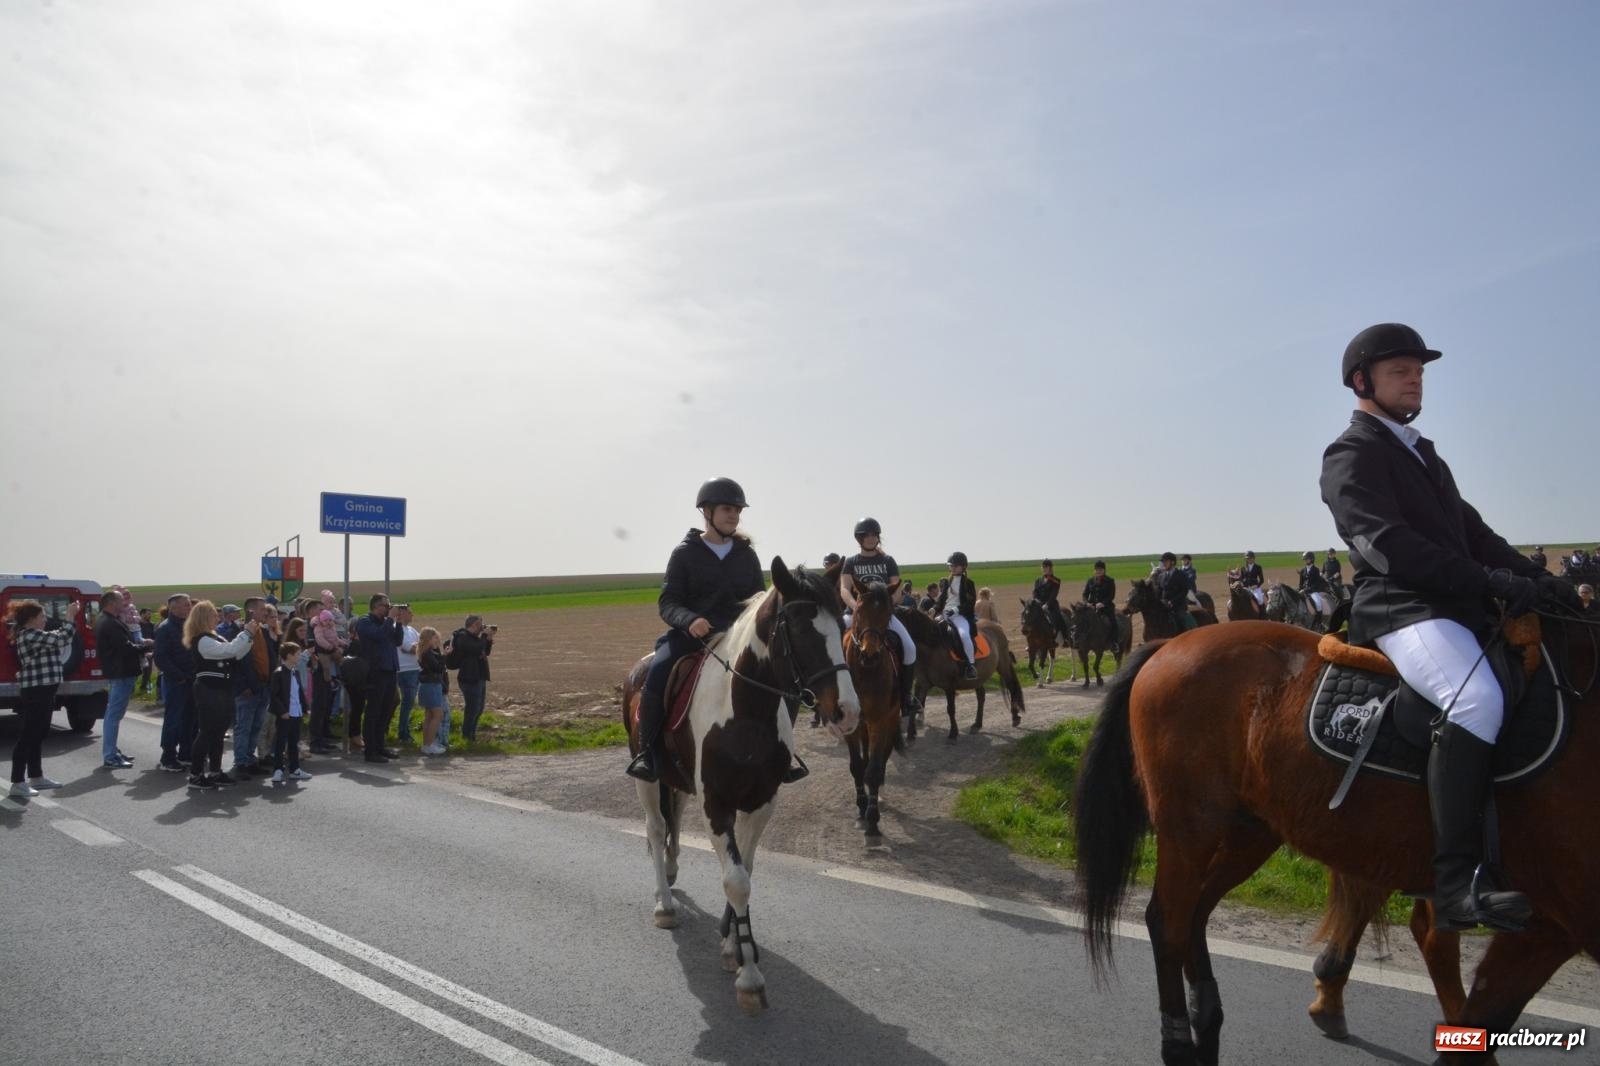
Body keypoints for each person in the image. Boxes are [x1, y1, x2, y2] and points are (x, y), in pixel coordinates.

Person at [1319, 322, 1578, 933]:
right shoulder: (1351, 454)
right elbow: (1390, 548)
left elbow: (1476, 535)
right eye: (1401, 371)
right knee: (1475, 701)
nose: (1416, 380)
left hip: (1454, 605)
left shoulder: (1422, 453)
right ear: (1363, 382)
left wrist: (1537, 577)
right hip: (1401, 608)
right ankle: (1456, 882)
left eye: (1420, 371)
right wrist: (1488, 583)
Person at [627, 477, 772, 783]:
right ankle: (647, 752)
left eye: (737, 510)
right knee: (658, 671)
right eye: (726, 508)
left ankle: (781, 751)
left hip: (735, 639)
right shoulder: (685, 553)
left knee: (772, 676)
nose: (733, 514)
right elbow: (668, 601)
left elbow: (759, 601)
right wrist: (690, 619)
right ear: (707, 512)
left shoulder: (746, 554)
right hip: (692, 637)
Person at [839, 517, 919, 717]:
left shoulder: (887, 561)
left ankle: (905, 697)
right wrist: (855, 607)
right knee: (832, 641)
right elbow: (844, 589)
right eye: (866, 535)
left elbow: (897, 591)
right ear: (859, 538)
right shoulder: (851, 562)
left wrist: (885, 607)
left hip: (882, 616)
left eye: (874, 534)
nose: (871, 538)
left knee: (909, 647)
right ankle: (833, 696)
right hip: (856, 616)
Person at [7, 598, 80, 796]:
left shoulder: (35, 634)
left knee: (38, 734)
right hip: (36, 690)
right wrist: (69, 616)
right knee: (29, 735)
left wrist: (68, 621)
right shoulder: (29, 635)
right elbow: (61, 639)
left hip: (44, 689)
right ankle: (17, 782)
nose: (45, 620)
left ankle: (36, 776)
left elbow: (56, 635)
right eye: (42, 616)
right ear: (31, 619)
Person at [184, 601, 255, 789]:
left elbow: (236, 654)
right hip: (209, 689)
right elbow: (230, 650)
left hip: (221, 689)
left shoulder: (214, 638)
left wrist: (249, 636)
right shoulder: (202, 639)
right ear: (203, 617)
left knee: (218, 733)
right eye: (213, 614)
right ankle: (196, 774)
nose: (217, 617)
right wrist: (246, 633)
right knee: (207, 732)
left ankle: (215, 771)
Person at [92, 588, 148, 769]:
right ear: (111, 603)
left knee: (114, 714)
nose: (123, 602)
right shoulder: (110, 623)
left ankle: (112, 750)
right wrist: (145, 648)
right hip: (121, 672)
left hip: (119, 671)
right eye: (119, 599)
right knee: (114, 715)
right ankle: (110, 755)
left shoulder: (107, 620)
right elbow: (125, 648)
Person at [231, 597, 279, 777]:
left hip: (263, 685)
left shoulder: (261, 630)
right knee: (244, 726)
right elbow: (236, 661)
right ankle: (241, 761)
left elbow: (268, 656)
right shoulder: (240, 630)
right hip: (248, 688)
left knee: (256, 725)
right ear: (251, 611)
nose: (265, 612)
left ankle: (250, 759)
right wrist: (243, 685)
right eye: (262, 609)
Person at [354, 594, 403, 763]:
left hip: (390, 670)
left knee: (385, 711)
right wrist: (390, 619)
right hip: (375, 672)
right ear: (376, 606)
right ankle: (370, 750)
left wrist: (400, 622)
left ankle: (380, 746)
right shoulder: (365, 621)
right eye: (386, 605)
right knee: (373, 712)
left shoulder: (386, 623)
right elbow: (379, 636)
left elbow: (397, 640)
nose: (388, 608)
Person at [152, 593, 195, 772]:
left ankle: (185, 753)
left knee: (189, 719)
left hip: (191, 680)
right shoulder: (165, 628)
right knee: (173, 720)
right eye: (185, 605)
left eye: (189, 605)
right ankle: (168, 757)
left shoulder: (187, 626)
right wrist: (180, 676)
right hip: (176, 681)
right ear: (173, 607)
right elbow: (161, 658)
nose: (189, 608)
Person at [267, 643, 313, 785]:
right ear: (288, 655)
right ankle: (278, 769)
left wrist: (305, 709)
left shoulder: (295, 672)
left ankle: (295, 769)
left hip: (296, 712)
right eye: (297, 654)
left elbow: (299, 693)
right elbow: (274, 696)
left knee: (294, 741)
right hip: (286, 713)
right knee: (281, 741)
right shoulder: (279, 673)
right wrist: (282, 711)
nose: (299, 657)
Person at [450, 615, 495, 743]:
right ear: (474, 624)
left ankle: (471, 735)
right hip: (469, 678)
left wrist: (489, 640)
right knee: (472, 708)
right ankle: (466, 736)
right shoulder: (462, 637)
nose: (482, 627)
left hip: (479, 676)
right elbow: (476, 649)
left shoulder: (476, 638)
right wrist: (485, 636)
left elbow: (485, 651)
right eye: (481, 624)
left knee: (479, 708)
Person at [935, 552, 979, 680]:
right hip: (944, 614)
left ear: (963, 567)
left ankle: (971, 665)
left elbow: (970, 603)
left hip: (960, 616)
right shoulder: (946, 582)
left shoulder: (968, 583)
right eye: (951, 565)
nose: (953, 568)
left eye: (956, 566)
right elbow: (941, 599)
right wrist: (933, 608)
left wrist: (955, 610)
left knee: (964, 635)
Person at [415, 627, 450, 755]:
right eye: (435, 637)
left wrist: (442, 654)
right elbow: (437, 668)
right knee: (437, 715)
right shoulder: (427, 653)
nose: (438, 640)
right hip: (431, 686)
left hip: (428, 685)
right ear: (429, 638)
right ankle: (429, 745)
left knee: (429, 716)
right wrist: (445, 656)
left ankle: (427, 744)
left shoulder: (428, 652)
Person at [392, 604, 421, 745]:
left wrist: (417, 646)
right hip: (402, 670)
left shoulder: (412, 630)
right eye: (409, 612)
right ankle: (402, 733)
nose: (412, 614)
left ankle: (403, 731)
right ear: (401, 613)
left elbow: (423, 645)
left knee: (409, 703)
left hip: (414, 669)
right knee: (405, 702)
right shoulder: (395, 628)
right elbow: (409, 648)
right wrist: (417, 646)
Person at [1153, 552, 1197, 632]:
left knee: (1183, 618)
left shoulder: (1181, 575)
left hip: (1178, 606)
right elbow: (1159, 591)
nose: (1163, 564)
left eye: (1165, 561)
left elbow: (1184, 591)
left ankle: (1193, 632)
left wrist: (1172, 602)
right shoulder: (1161, 576)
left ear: (1172, 562)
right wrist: (1158, 601)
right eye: (1163, 562)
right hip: (1164, 606)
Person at [1297, 550, 1334, 623]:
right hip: (1303, 591)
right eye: (1304, 559)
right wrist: (1300, 589)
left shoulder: (1315, 570)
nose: (1305, 561)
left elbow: (1316, 583)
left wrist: (1306, 590)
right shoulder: (1303, 570)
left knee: (1318, 603)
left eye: (1307, 559)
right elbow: (1301, 583)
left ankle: (1319, 621)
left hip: (1313, 591)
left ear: (1311, 559)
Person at [1032, 560, 1066, 638]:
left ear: (1050, 568)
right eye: (1042, 567)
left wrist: (1047, 605)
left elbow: (1053, 595)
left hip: (1051, 605)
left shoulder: (1056, 580)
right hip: (1039, 604)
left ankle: (1065, 638)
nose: (1043, 569)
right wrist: (1036, 600)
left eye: (1045, 567)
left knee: (1059, 618)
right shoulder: (1038, 580)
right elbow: (1035, 592)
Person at [1083, 560, 1118, 633]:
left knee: (1113, 623)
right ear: (1094, 570)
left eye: (1100, 569)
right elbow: (1085, 594)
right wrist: (1087, 603)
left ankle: (1114, 642)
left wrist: (1103, 603)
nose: (1098, 571)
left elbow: (1111, 595)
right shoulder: (1090, 581)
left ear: (1104, 570)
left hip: (1106, 607)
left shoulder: (1110, 581)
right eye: (1097, 569)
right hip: (1091, 607)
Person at [136, 607, 157, 696]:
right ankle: (131, 689)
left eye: (150, 614)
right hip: (137, 650)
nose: (150, 616)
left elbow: (154, 637)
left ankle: (145, 688)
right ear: (142, 614)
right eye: (148, 614)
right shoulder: (137, 625)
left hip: (148, 651)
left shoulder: (151, 625)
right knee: (135, 670)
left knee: (148, 671)